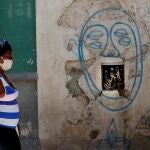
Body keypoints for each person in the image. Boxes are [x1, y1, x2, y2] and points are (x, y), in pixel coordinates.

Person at [0, 39, 21, 150]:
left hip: (11, 129)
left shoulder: (3, 75)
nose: (11, 58)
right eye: (8, 54)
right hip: (3, 132)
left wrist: (15, 124)